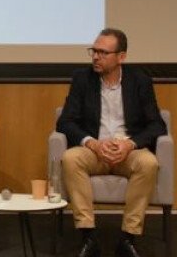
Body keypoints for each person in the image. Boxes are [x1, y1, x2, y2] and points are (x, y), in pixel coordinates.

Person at [56, 28, 167, 257]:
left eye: (103, 53)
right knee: (70, 158)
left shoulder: (139, 81)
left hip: (128, 151)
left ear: (121, 57)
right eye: (94, 51)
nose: (96, 57)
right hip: (95, 151)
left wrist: (130, 144)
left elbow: (157, 125)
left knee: (148, 163)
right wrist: (92, 144)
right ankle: (88, 236)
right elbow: (65, 121)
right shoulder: (82, 79)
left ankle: (128, 238)